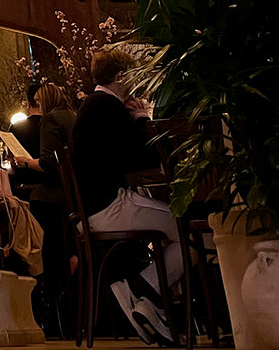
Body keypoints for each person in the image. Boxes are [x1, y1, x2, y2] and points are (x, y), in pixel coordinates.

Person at [71, 48, 180, 347]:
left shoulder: (93, 106)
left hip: (92, 209)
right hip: (110, 206)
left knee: (184, 229)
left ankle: (148, 297)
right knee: (193, 229)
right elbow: (149, 156)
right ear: (121, 76)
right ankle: (145, 288)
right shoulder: (108, 106)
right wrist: (143, 119)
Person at [17, 83, 76, 335]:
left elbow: (50, 163)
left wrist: (26, 163)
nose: (37, 108)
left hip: (52, 198)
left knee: (48, 254)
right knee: (69, 253)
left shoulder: (50, 120)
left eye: (39, 103)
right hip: (73, 198)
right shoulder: (72, 116)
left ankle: (50, 314)